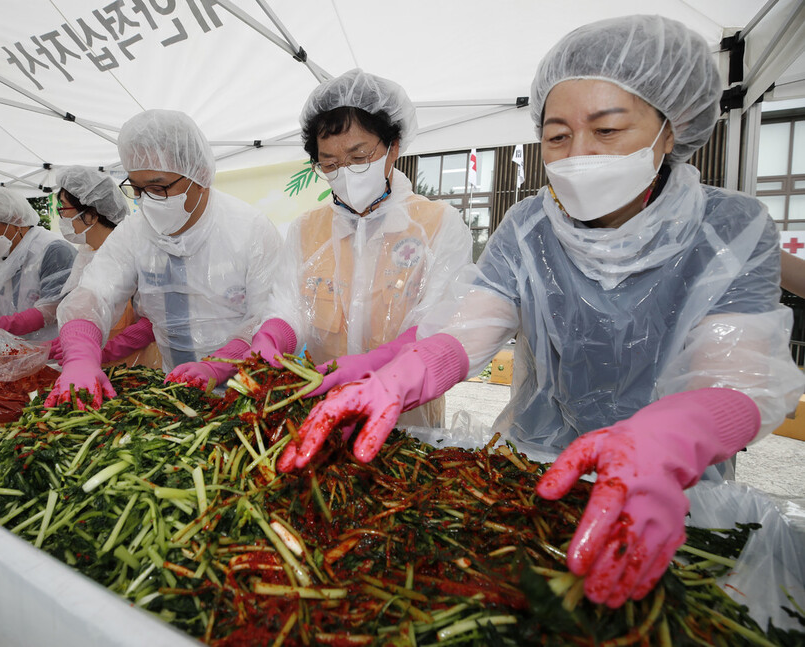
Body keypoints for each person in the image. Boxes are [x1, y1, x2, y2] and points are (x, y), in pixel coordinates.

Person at [276, 16, 805, 608]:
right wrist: (401, 376)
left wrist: (675, 438)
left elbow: (736, 375)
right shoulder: (529, 226)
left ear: (670, 128)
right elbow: (469, 333)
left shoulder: (730, 229)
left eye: (606, 129)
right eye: (557, 137)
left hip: (666, 485)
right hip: (536, 468)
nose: (578, 155)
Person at [167, 69, 472, 428]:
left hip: (406, 418)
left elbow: (440, 323)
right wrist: (271, 336)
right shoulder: (307, 230)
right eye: (329, 163)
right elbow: (287, 306)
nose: (345, 172)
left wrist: (377, 363)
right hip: (318, 411)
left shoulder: (437, 225)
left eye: (359, 157)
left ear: (394, 148)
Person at [44, 109, 282, 409]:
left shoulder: (250, 230)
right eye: (138, 189)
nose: (147, 200)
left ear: (199, 176)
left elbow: (265, 319)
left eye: (159, 188)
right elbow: (92, 294)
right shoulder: (135, 231)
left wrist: (218, 366)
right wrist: (80, 356)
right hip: (175, 391)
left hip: (246, 391)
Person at [48, 165, 160, 368]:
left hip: (135, 367)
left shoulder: (134, 252)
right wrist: (73, 341)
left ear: (91, 213)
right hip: (97, 364)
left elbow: (153, 320)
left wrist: (105, 350)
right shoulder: (87, 253)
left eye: (63, 209)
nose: (60, 217)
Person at [0, 187, 76, 341]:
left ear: (16, 220)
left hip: (51, 349)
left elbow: (52, 308)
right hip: (12, 349)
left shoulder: (53, 250)